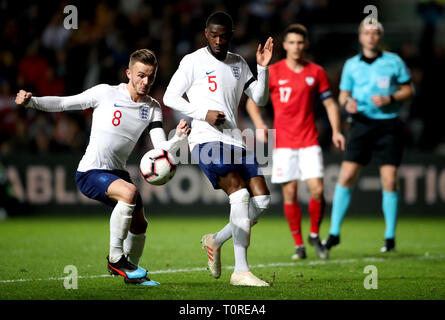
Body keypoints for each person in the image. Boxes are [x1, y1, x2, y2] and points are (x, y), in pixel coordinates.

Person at [15, 49, 191, 286]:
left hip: (117, 172)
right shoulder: (105, 93)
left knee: (140, 224)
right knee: (130, 193)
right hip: (91, 171)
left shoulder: (153, 107)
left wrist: (178, 139)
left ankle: (133, 273)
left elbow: (160, 149)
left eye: (151, 76)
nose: (146, 81)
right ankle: (116, 259)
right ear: (128, 73)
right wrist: (32, 102)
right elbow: (64, 103)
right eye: (140, 75)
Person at [163, 11, 273, 287]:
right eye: (214, 35)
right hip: (206, 139)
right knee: (240, 195)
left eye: (224, 35)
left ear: (231, 35)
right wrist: (203, 113)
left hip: (235, 139)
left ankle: (215, 240)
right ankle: (241, 271)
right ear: (206, 34)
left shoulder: (238, 63)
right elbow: (169, 96)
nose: (219, 40)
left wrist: (263, 68)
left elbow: (259, 97)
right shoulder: (193, 61)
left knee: (262, 202)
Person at [246, 24, 345, 260]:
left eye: (300, 43)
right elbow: (252, 102)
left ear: (305, 45)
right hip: (285, 144)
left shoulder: (316, 72)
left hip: (309, 141)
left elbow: (330, 103)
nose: (296, 47)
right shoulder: (275, 71)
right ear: (286, 45)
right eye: (291, 42)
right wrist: (260, 125)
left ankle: (313, 235)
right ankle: (299, 245)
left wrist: (336, 131)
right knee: (290, 195)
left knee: (318, 190)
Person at [323, 18, 413, 254]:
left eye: (375, 33)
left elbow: (409, 89)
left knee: (390, 180)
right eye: (367, 33)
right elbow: (343, 96)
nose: (371, 37)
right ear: (361, 37)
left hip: (388, 125)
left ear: (379, 37)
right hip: (361, 124)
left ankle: (390, 238)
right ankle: (333, 234)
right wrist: (348, 104)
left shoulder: (394, 61)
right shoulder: (352, 65)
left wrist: (390, 98)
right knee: (347, 176)